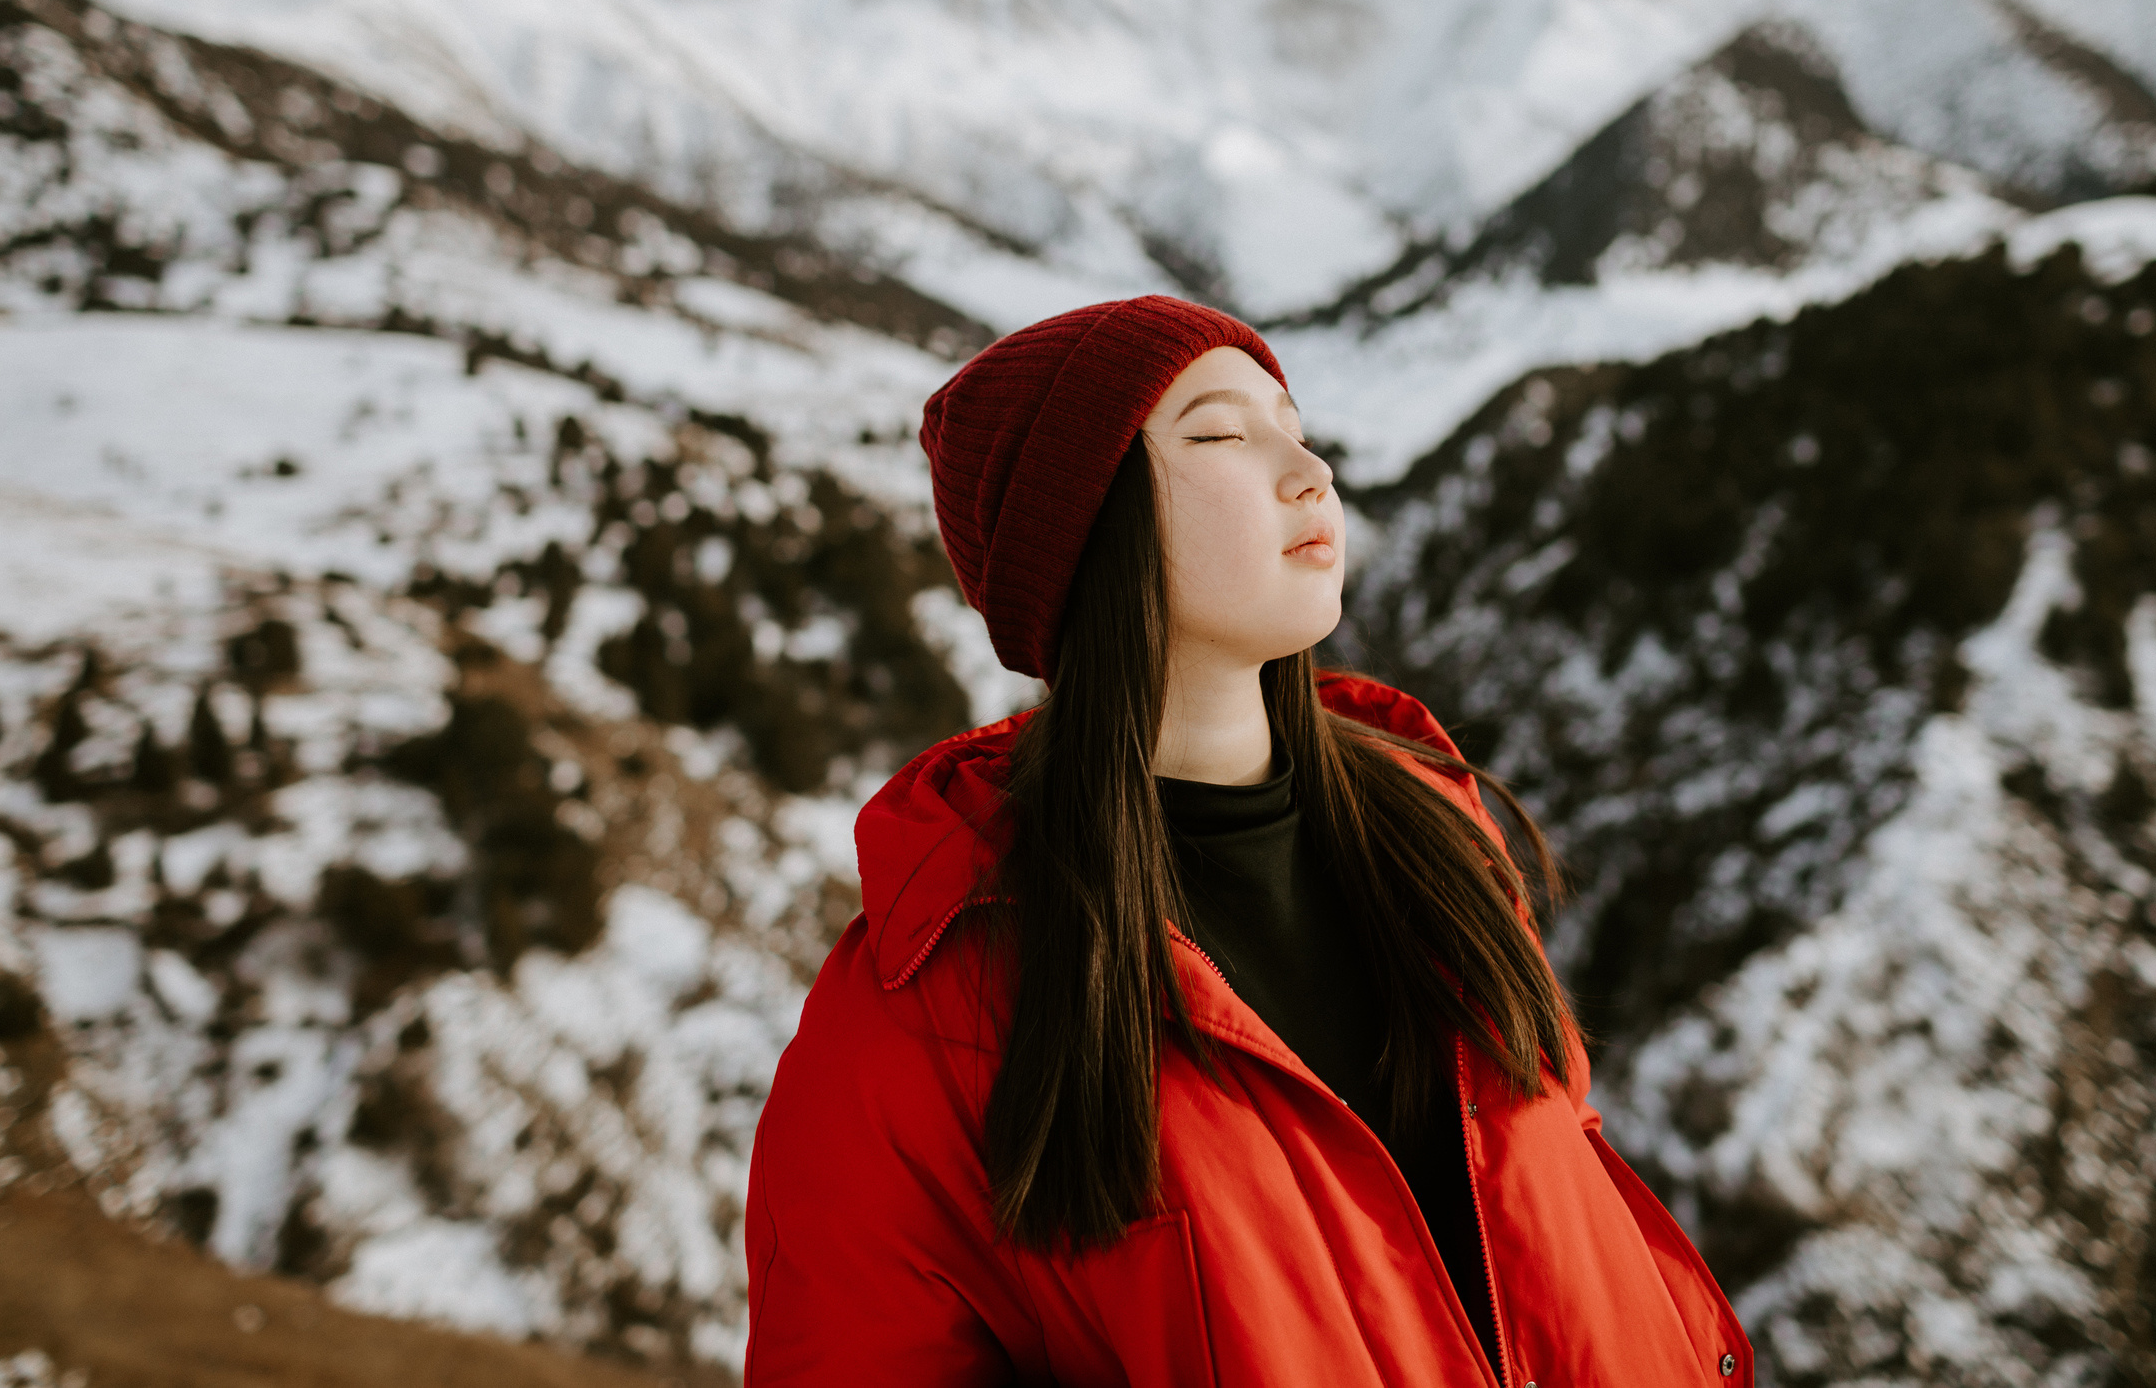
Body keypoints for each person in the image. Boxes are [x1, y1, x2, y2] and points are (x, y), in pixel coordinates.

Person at [744, 296, 1749, 1385]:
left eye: (1294, 423)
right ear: (1081, 529)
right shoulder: (931, 1017)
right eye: (1222, 434)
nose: (1309, 470)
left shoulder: (1433, 836)